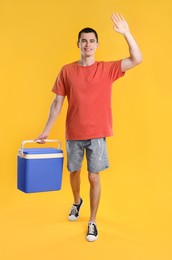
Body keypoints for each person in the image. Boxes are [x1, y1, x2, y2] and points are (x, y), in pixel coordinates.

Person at [35, 13, 142, 242]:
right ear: (78, 44)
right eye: (84, 40)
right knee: (74, 173)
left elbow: (137, 59)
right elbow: (57, 103)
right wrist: (46, 130)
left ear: (97, 44)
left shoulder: (107, 69)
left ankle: (92, 221)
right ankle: (76, 202)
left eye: (92, 41)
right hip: (73, 133)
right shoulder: (66, 71)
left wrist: (126, 34)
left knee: (94, 177)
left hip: (98, 135)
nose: (88, 44)